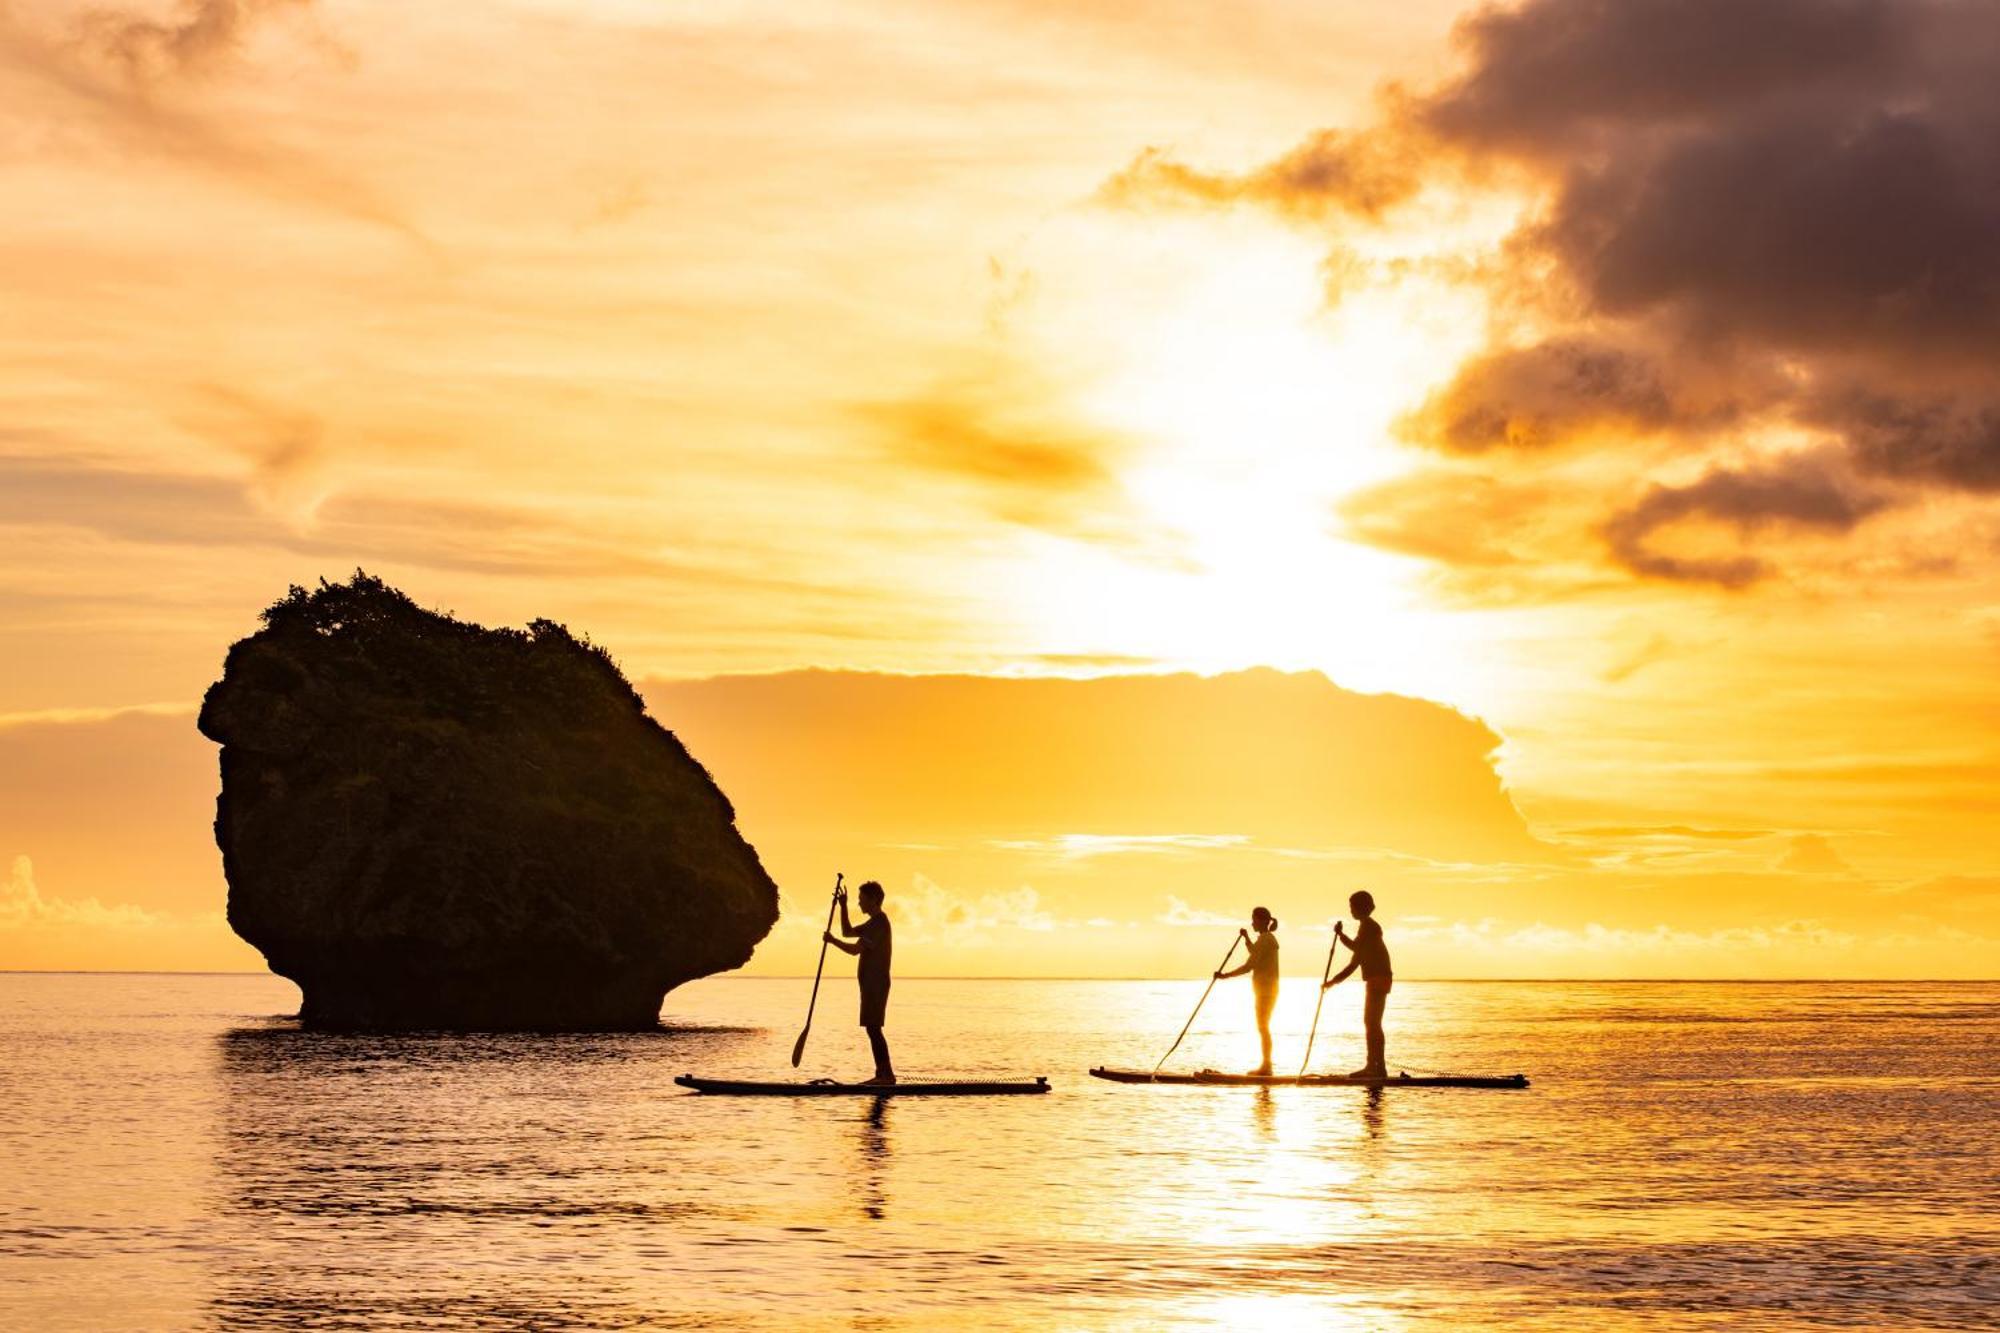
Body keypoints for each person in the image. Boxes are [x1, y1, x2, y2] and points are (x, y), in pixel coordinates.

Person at [823, 879, 895, 1084]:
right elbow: (847, 931)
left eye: (861, 899)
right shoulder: (872, 923)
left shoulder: (879, 923)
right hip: (869, 984)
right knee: (872, 1028)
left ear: (873, 900)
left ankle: (886, 1075)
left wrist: (832, 941)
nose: (859, 903)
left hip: (876, 984)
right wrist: (843, 906)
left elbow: (855, 950)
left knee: (874, 1028)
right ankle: (883, 1074)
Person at [1324, 890, 1392, 1077]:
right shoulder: (1366, 927)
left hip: (1379, 978)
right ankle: (1376, 1066)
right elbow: (1357, 949)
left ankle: (1376, 1067)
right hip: (1378, 978)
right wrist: (1341, 935)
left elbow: (1355, 962)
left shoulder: (1369, 927)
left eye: (1352, 907)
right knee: (1371, 1023)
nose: (1350, 910)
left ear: (1360, 907)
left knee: (1372, 1023)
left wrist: (1333, 982)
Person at [1214, 906, 1281, 1075]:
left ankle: (1266, 1067)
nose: (1252, 922)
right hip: (1266, 990)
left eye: (1254, 919)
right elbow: (1255, 953)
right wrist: (1246, 938)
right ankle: (1266, 1066)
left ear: (1264, 921)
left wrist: (1225, 976)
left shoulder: (1266, 939)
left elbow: (1248, 966)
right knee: (1263, 1027)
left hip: (1266, 990)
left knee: (1263, 1027)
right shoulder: (1265, 939)